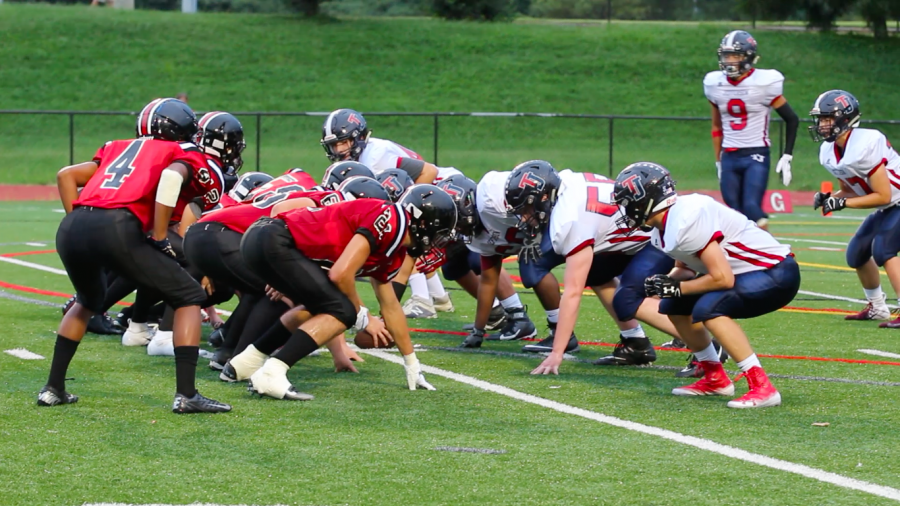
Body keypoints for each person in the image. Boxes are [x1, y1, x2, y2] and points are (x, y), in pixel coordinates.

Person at [41, 98, 231, 414]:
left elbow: (66, 175)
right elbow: (171, 179)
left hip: (73, 225)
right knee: (188, 295)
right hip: (116, 224)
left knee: (87, 301)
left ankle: (53, 388)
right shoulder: (181, 151)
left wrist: (82, 223)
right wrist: (157, 235)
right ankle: (187, 395)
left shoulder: (117, 147)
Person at [223, 185, 457, 400]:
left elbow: (391, 305)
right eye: (440, 233)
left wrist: (411, 362)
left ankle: (244, 363)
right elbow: (340, 274)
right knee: (343, 311)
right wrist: (361, 315)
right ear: (423, 223)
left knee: (319, 309)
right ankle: (273, 371)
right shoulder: (392, 219)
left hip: (264, 240)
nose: (439, 242)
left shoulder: (394, 248)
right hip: (275, 239)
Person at [613, 162, 799, 408]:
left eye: (629, 203)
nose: (626, 211)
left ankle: (762, 385)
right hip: (747, 273)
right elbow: (687, 268)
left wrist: (677, 287)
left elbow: (722, 278)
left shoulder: (685, 220)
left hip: (774, 271)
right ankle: (715, 377)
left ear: (647, 199)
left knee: (710, 308)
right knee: (673, 306)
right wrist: (667, 284)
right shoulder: (665, 227)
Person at [507, 164, 684, 374]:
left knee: (627, 299)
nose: (525, 218)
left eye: (527, 210)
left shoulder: (569, 220)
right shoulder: (567, 181)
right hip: (638, 236)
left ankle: (708, 344)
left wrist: (557, 352)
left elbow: (573, 293)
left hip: (658, 238)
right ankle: (635, 343)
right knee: (597, 274)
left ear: (544, 197)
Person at [320, 109, 456, 316]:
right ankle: (439, 297)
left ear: (360, 137)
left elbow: (429, 172)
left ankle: (423, 299)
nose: (338, 150)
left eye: (343, 142)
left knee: (402, 236)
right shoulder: (363, 159)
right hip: (429, 196)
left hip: (443, 192)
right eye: (334, 145)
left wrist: (404, 208)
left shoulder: (375, 156)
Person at [809, 90, 900, 327]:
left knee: (884, 249)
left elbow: (882, 195)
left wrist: (843, 203)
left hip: (894, 200)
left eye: (828, 118)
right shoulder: (829, 151)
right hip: (890, 204)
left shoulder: (866, 142)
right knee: (857, 253)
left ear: (844, 119)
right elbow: (850, 189)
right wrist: (832, 197)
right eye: (820, 119)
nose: (822, 125)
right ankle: (878, 307)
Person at [704, 30, 799, 230]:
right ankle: (750, 254)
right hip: (729, 155)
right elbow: (716, 127)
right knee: (733, 209)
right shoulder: (715, 84)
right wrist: (718, 161)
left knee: (751, 207)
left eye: (736, 56)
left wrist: (787, 155)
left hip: (756, 154)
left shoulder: (764, 83)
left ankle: (772, 254)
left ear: (748, 57)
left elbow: (791, 119)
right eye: (727, 55)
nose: (730, 61)